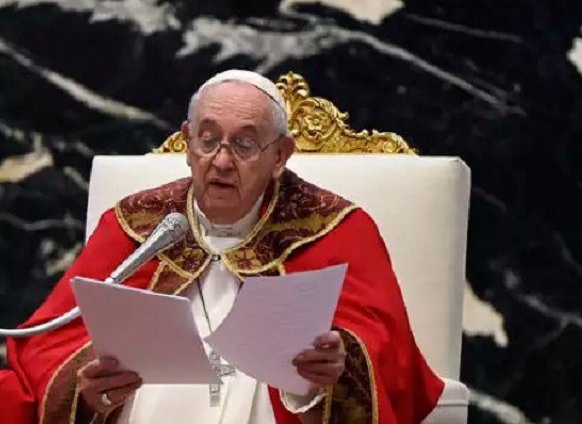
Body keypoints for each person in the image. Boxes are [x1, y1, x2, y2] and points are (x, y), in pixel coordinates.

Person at [0, 70, 445, 424]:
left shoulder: (336, 228)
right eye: (208, 140)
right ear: (188, 144)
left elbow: (386, 357)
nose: (222, 161)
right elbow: (49, 346)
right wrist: (89, 393)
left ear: (280, 156)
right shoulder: (136, 223)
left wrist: (322, 376)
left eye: (244, 144)